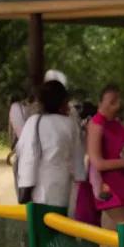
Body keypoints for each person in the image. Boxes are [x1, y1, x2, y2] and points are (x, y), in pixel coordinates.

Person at [14, 78, 85, 207]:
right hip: (64, 186)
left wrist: (25, 183)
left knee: (40, 224)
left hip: (39, 187)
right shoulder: (70, 124)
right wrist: (80, 179)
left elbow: (28, 156)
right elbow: (78, 158)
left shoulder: (33, 122)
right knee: (60, 223)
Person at [86, 86, 124, 226]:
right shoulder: (97, 124)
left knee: (123, 233)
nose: (117, 105)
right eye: (112, 101)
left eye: (118, 101)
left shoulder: (115, 123)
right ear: (100, 103)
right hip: (109, 188)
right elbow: (97, 162)